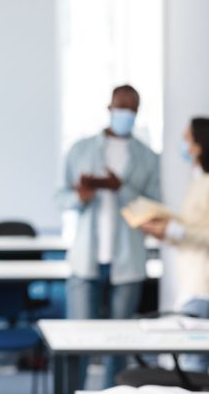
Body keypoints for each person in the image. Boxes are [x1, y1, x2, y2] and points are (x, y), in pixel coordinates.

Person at [56, 84, 161, 388]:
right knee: (77, 343)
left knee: (120, 343)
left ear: (137, 112)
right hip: (86, 258)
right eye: (120, 107)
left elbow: (155, 207)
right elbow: (60, 197)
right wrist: (82, 196)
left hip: (127, 261)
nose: (124, 113)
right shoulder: (80, 149)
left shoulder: (148, 158)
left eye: (131, 109)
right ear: (110, 107)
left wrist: (122, 189)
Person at [140, 117, 209, 373]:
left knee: (195, 366)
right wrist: (166, 232)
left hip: (203, 287)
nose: (182, 144)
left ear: (199, 145)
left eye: (186, 139)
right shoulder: (198, 181)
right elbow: (194, 227)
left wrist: (174, 229)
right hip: (192, 282)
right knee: (194, 365)